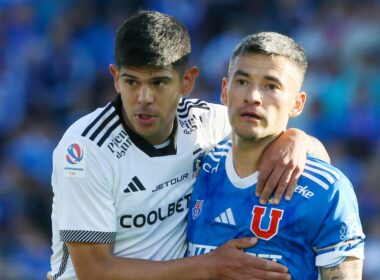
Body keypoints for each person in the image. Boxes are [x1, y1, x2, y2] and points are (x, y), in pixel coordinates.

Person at [50, 11, 330, 279]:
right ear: (115, 78)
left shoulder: (205, 123)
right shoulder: (86, 150)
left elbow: (312, 155)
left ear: (187, 81)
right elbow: (95, 272)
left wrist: (298, 140)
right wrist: (210, 266)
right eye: (132, 82)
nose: (143, 97)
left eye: (159, 82)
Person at [186, 32, 365, 279]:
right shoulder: (198, 169)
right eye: (242, 82)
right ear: (225, 91)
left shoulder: (327, 190)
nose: (252, 97)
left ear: (297, 103)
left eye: (271, 86)